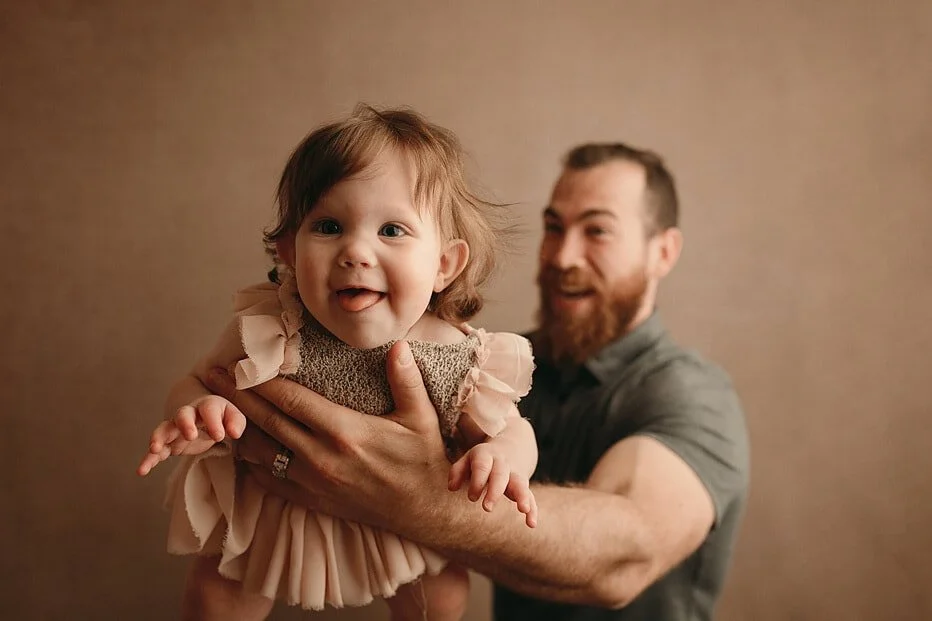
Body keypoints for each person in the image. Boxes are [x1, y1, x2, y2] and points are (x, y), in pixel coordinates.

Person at [203, 141, 751, 620]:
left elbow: (622, 557)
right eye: (554, 227)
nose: (562, 256)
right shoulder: (483, 360)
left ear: (664, 251)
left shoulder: (690, 393)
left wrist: (415, 499)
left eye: (597, 231)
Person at [136, 105, 540, 621]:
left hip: (400, 517)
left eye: (392, 230)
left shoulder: (455, 355)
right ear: (288, 250)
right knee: (215, 595)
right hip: (271, 509)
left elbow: (513, 430)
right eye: (328, 225)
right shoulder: (271, 326)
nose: (355, 251)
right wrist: (197, 410)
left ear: (444, 264)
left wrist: (503, 457)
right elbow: (198, 380)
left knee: (441, 593)